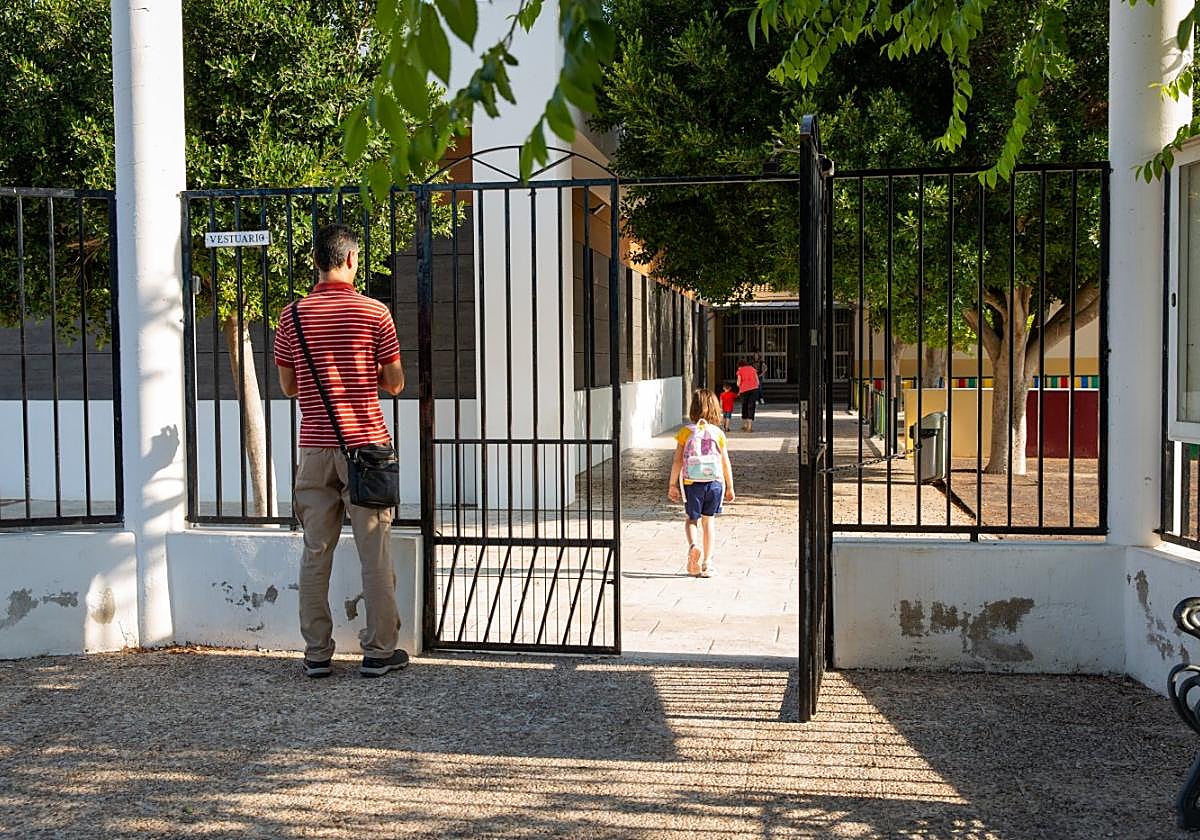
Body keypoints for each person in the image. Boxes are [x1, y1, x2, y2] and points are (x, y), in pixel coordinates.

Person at [273, 223, 408, 679]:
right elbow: (394, 383)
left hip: (314, 448)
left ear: (317, 261)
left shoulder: (290, 317)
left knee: (316, 552)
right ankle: (379, 651)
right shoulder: (375, 313)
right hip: (365, 446)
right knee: (375, 553)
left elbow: (289, 387)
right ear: (351, 259)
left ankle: (316, 653)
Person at [667, 389, 735, 577]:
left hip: (691, 482)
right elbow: (725, 461)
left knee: (691, 519)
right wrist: (730, 486)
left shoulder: (685, 432)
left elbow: (677, 461)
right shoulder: (719, 433)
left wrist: (672, 484)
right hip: (714, 482)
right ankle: (707, 563)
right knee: (709, 521)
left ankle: (693, 545)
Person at [736, 357, 761, 432]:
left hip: (744, 390)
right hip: (754, 389)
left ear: (739, 365)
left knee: (744, 407)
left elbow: (739, 382)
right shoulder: (753, 369)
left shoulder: (740, 370)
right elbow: (758, 381)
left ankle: (744, 425)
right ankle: (749, 427)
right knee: (751, 407)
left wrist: (738, 385)